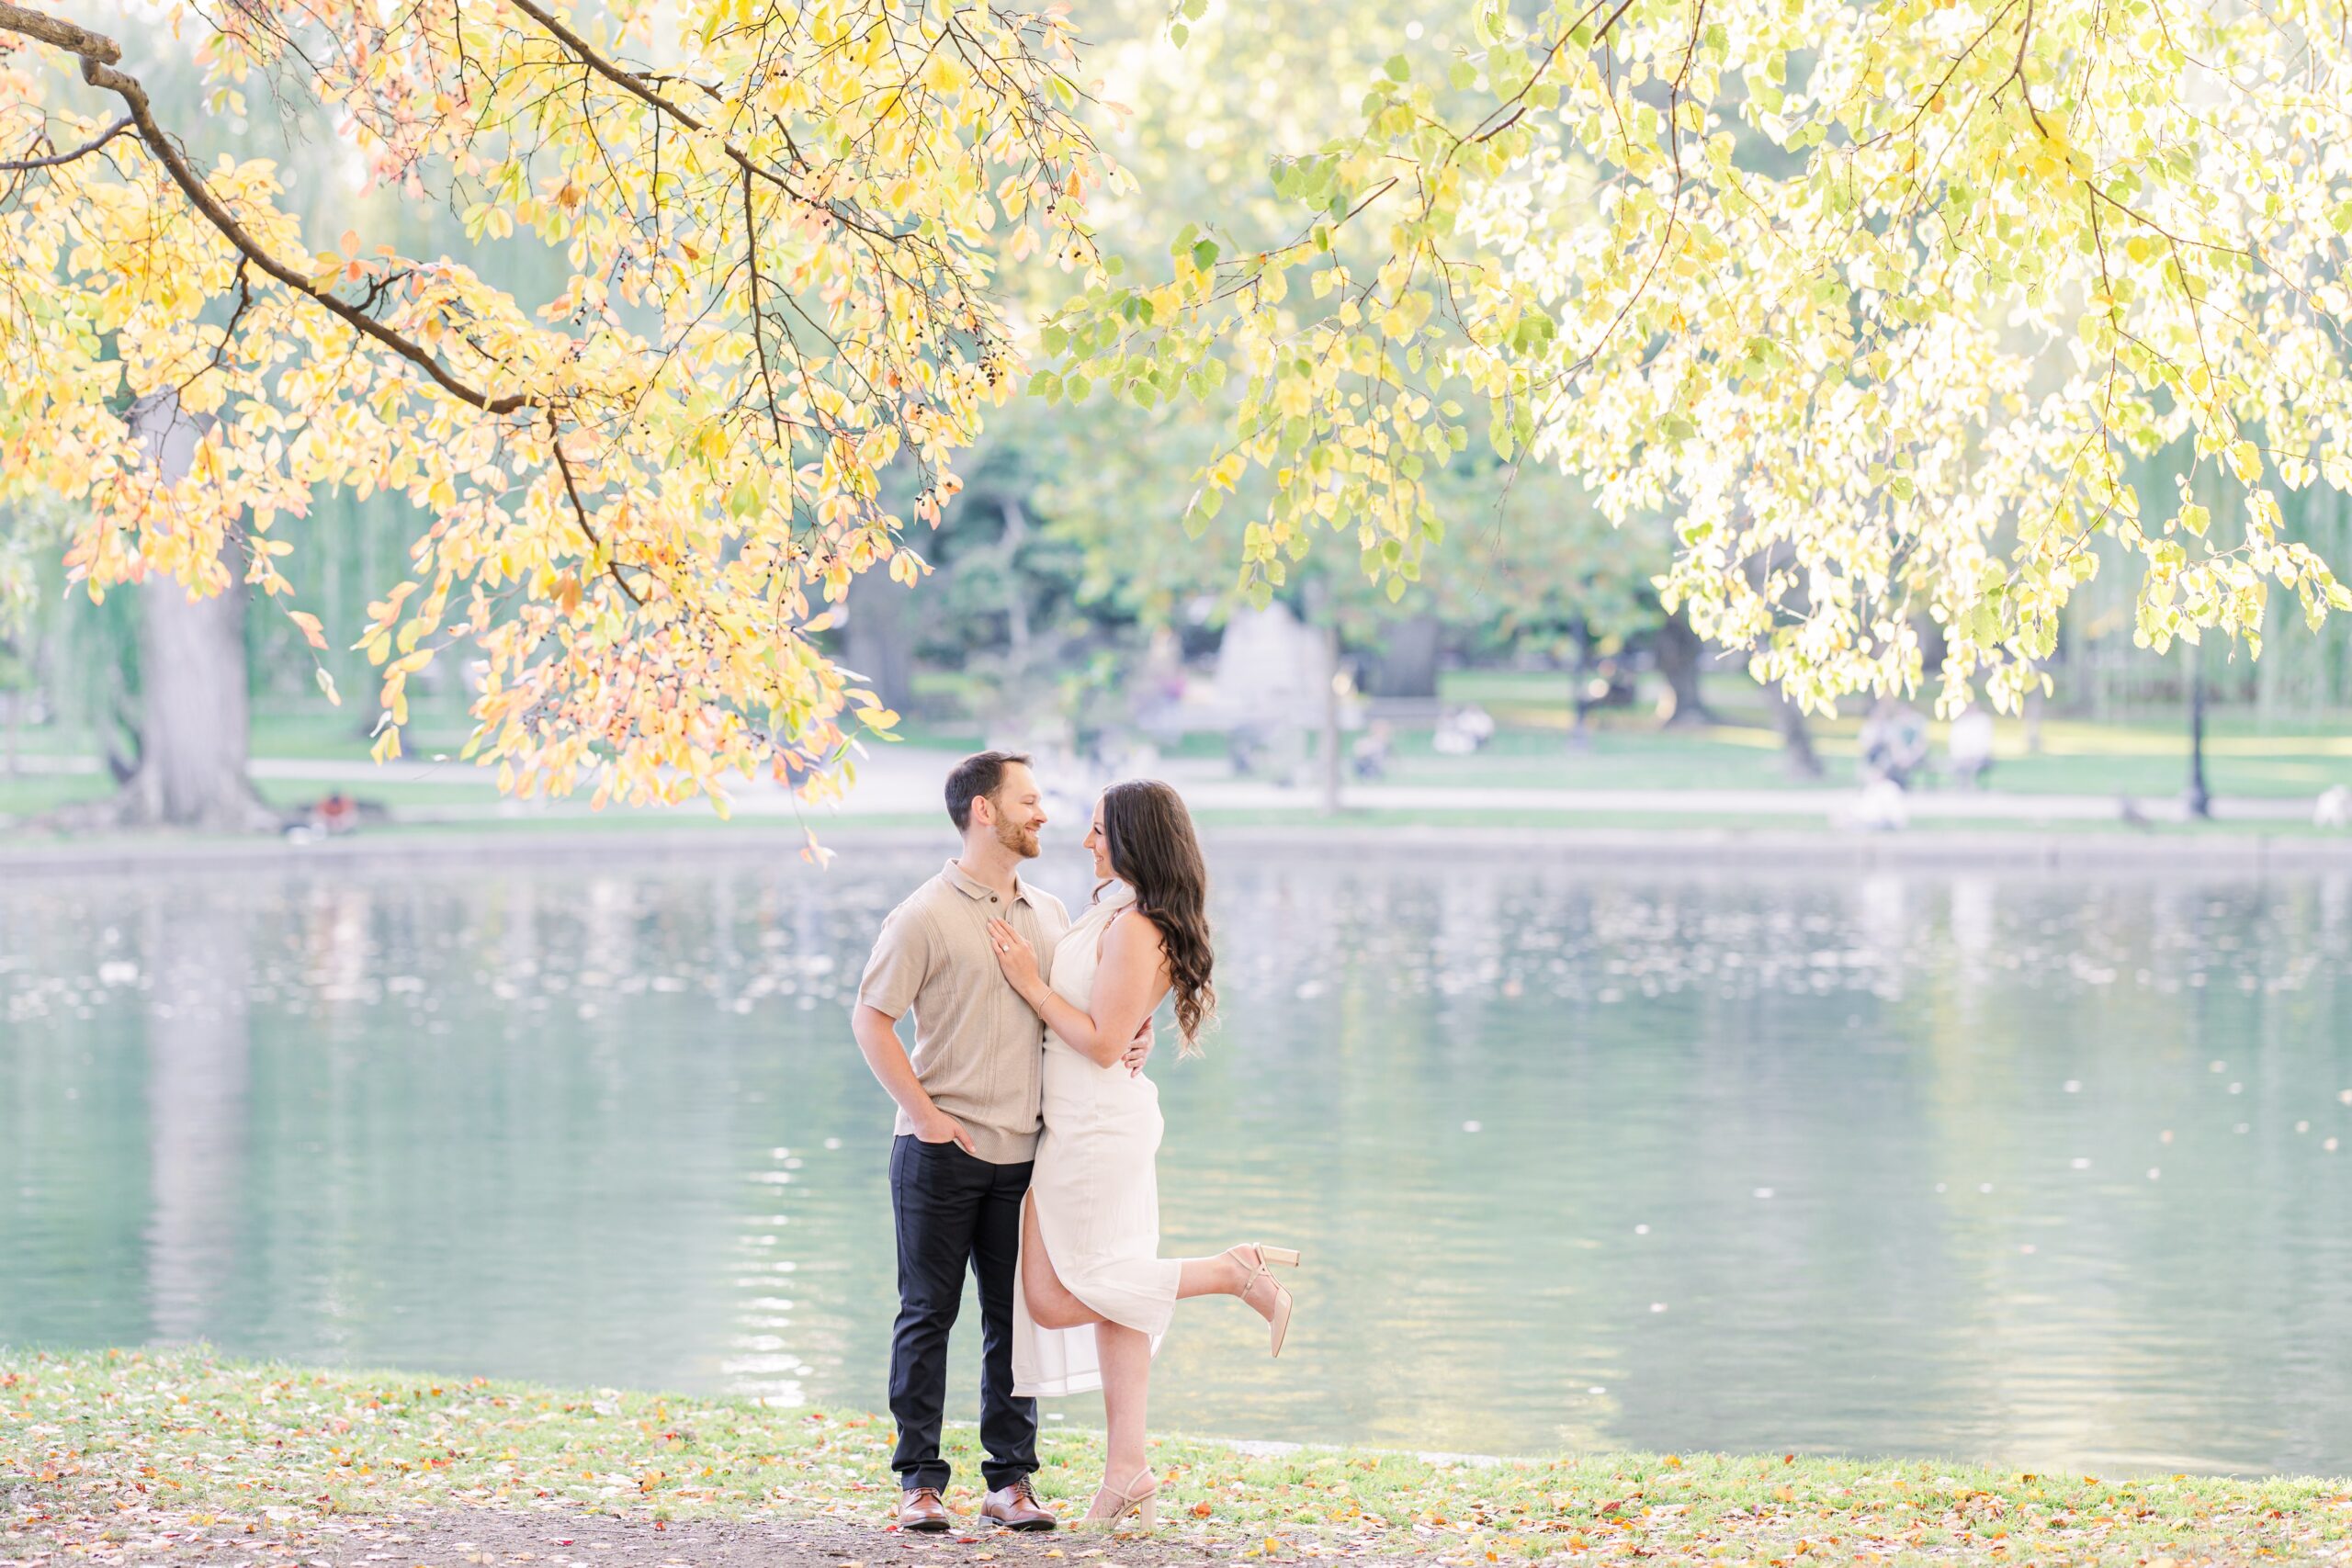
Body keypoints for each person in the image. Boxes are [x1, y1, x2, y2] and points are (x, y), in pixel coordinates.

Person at [985, 780, 1301, 1529]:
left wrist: (1029, 984)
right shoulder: (1118, 912)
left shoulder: (1137, 925)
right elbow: (1117, 1018)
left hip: (1095, 1130)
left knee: (1056, 1297)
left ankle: (1230, 1270)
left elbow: (1099, 1041)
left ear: (1133, 838)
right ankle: (1128, 1472)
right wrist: (1138, 1022)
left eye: (1099, 830)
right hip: (1083, 1122)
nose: (1087, 841)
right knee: (1115, 1296)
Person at [851, 752, 1153, 1534]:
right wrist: (922, 1114)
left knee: (1011, 1320)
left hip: (1028, 1155)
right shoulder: (922, 914)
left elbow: (1081, 1007)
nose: (1044, 814)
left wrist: (1135, 1030)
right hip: (940, 1150)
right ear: (984, 811)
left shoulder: (1051, 914)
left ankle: (1010, 1481)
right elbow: (870, 1018)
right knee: (926, 1313)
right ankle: (919, 1480)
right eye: (1029, 800)